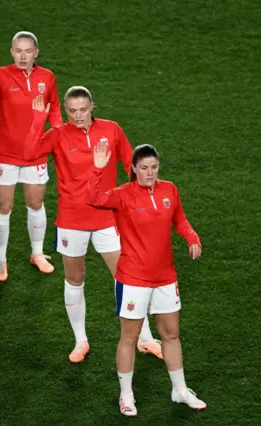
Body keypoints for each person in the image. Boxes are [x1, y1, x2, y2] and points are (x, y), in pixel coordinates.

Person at [24, 87, 164, 363]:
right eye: (72, 111)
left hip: (107, 218)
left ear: (92, 107)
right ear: (66, 110)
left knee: (127, 277)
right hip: (72, 221)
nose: (78, 115)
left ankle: (146, 339)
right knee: (74, 279)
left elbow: (130, 166)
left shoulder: (111, 130)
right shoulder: (58, 135)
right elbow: (29, 154)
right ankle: (80, 340)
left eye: (83, 110)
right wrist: (38, 119)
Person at [86, 142, 207, 416]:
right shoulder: (122, 195)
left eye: (154, 167)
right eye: (144, 168)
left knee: (171, 334)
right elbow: (92, 199)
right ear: (133, 169)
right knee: (129, 338)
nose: (150, 173)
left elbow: (180, 219)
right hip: (133, 279)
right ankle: (126, 395)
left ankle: (179, 390)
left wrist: (192, 236)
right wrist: (97, 168)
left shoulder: (169, 190)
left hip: (165, 277)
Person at [0, 31, 63, 281]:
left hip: (36, 153)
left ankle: (37, 254)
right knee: (3, 207)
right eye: (18, 50)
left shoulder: (47, 77)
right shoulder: (0, 76)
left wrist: (60, 136)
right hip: (5, 155)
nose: (23, 55)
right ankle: (0, 261)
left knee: (36, 204)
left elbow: (55, 108)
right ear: (11, 52)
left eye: (28, 51)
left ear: (36, 53)